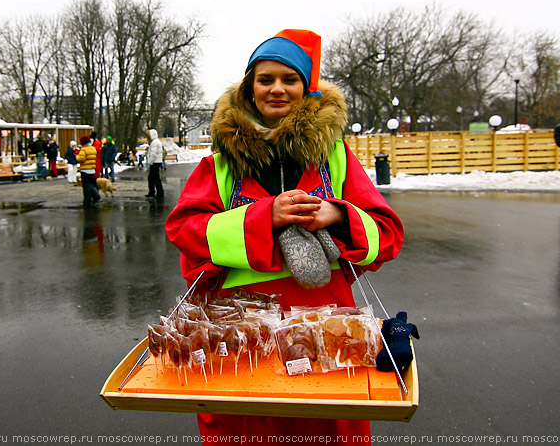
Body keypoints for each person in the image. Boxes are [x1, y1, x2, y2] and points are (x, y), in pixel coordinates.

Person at [164, 29, 404, 444]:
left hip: (327, 329)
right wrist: (263, 217)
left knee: (327, 427)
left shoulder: (337, 157)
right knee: (247, 427)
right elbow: (185, 230)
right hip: (239, 333)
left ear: (306, 89)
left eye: (289, 79)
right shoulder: (218, 164)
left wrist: (338, 215)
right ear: (249, 90)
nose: (277, 89)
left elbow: (387, 235)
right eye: (265, 79)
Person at [76, 135, 100, 208]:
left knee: (86, 187)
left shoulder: (84, 150)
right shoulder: (93, 148)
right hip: (92, 169)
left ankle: (87, 202)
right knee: (90, 185)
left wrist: (77, 155)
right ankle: (96, 196)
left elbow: (81, 159)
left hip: (85, 169)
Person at [145, 129, 164, 199]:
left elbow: (153, 154)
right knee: (153, 178)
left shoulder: (154, 143)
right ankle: (155, 192)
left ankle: (157, 192)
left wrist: (149, 162)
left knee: (154, 178)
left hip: (154, 162)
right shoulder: (156, 142)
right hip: (157, 162)